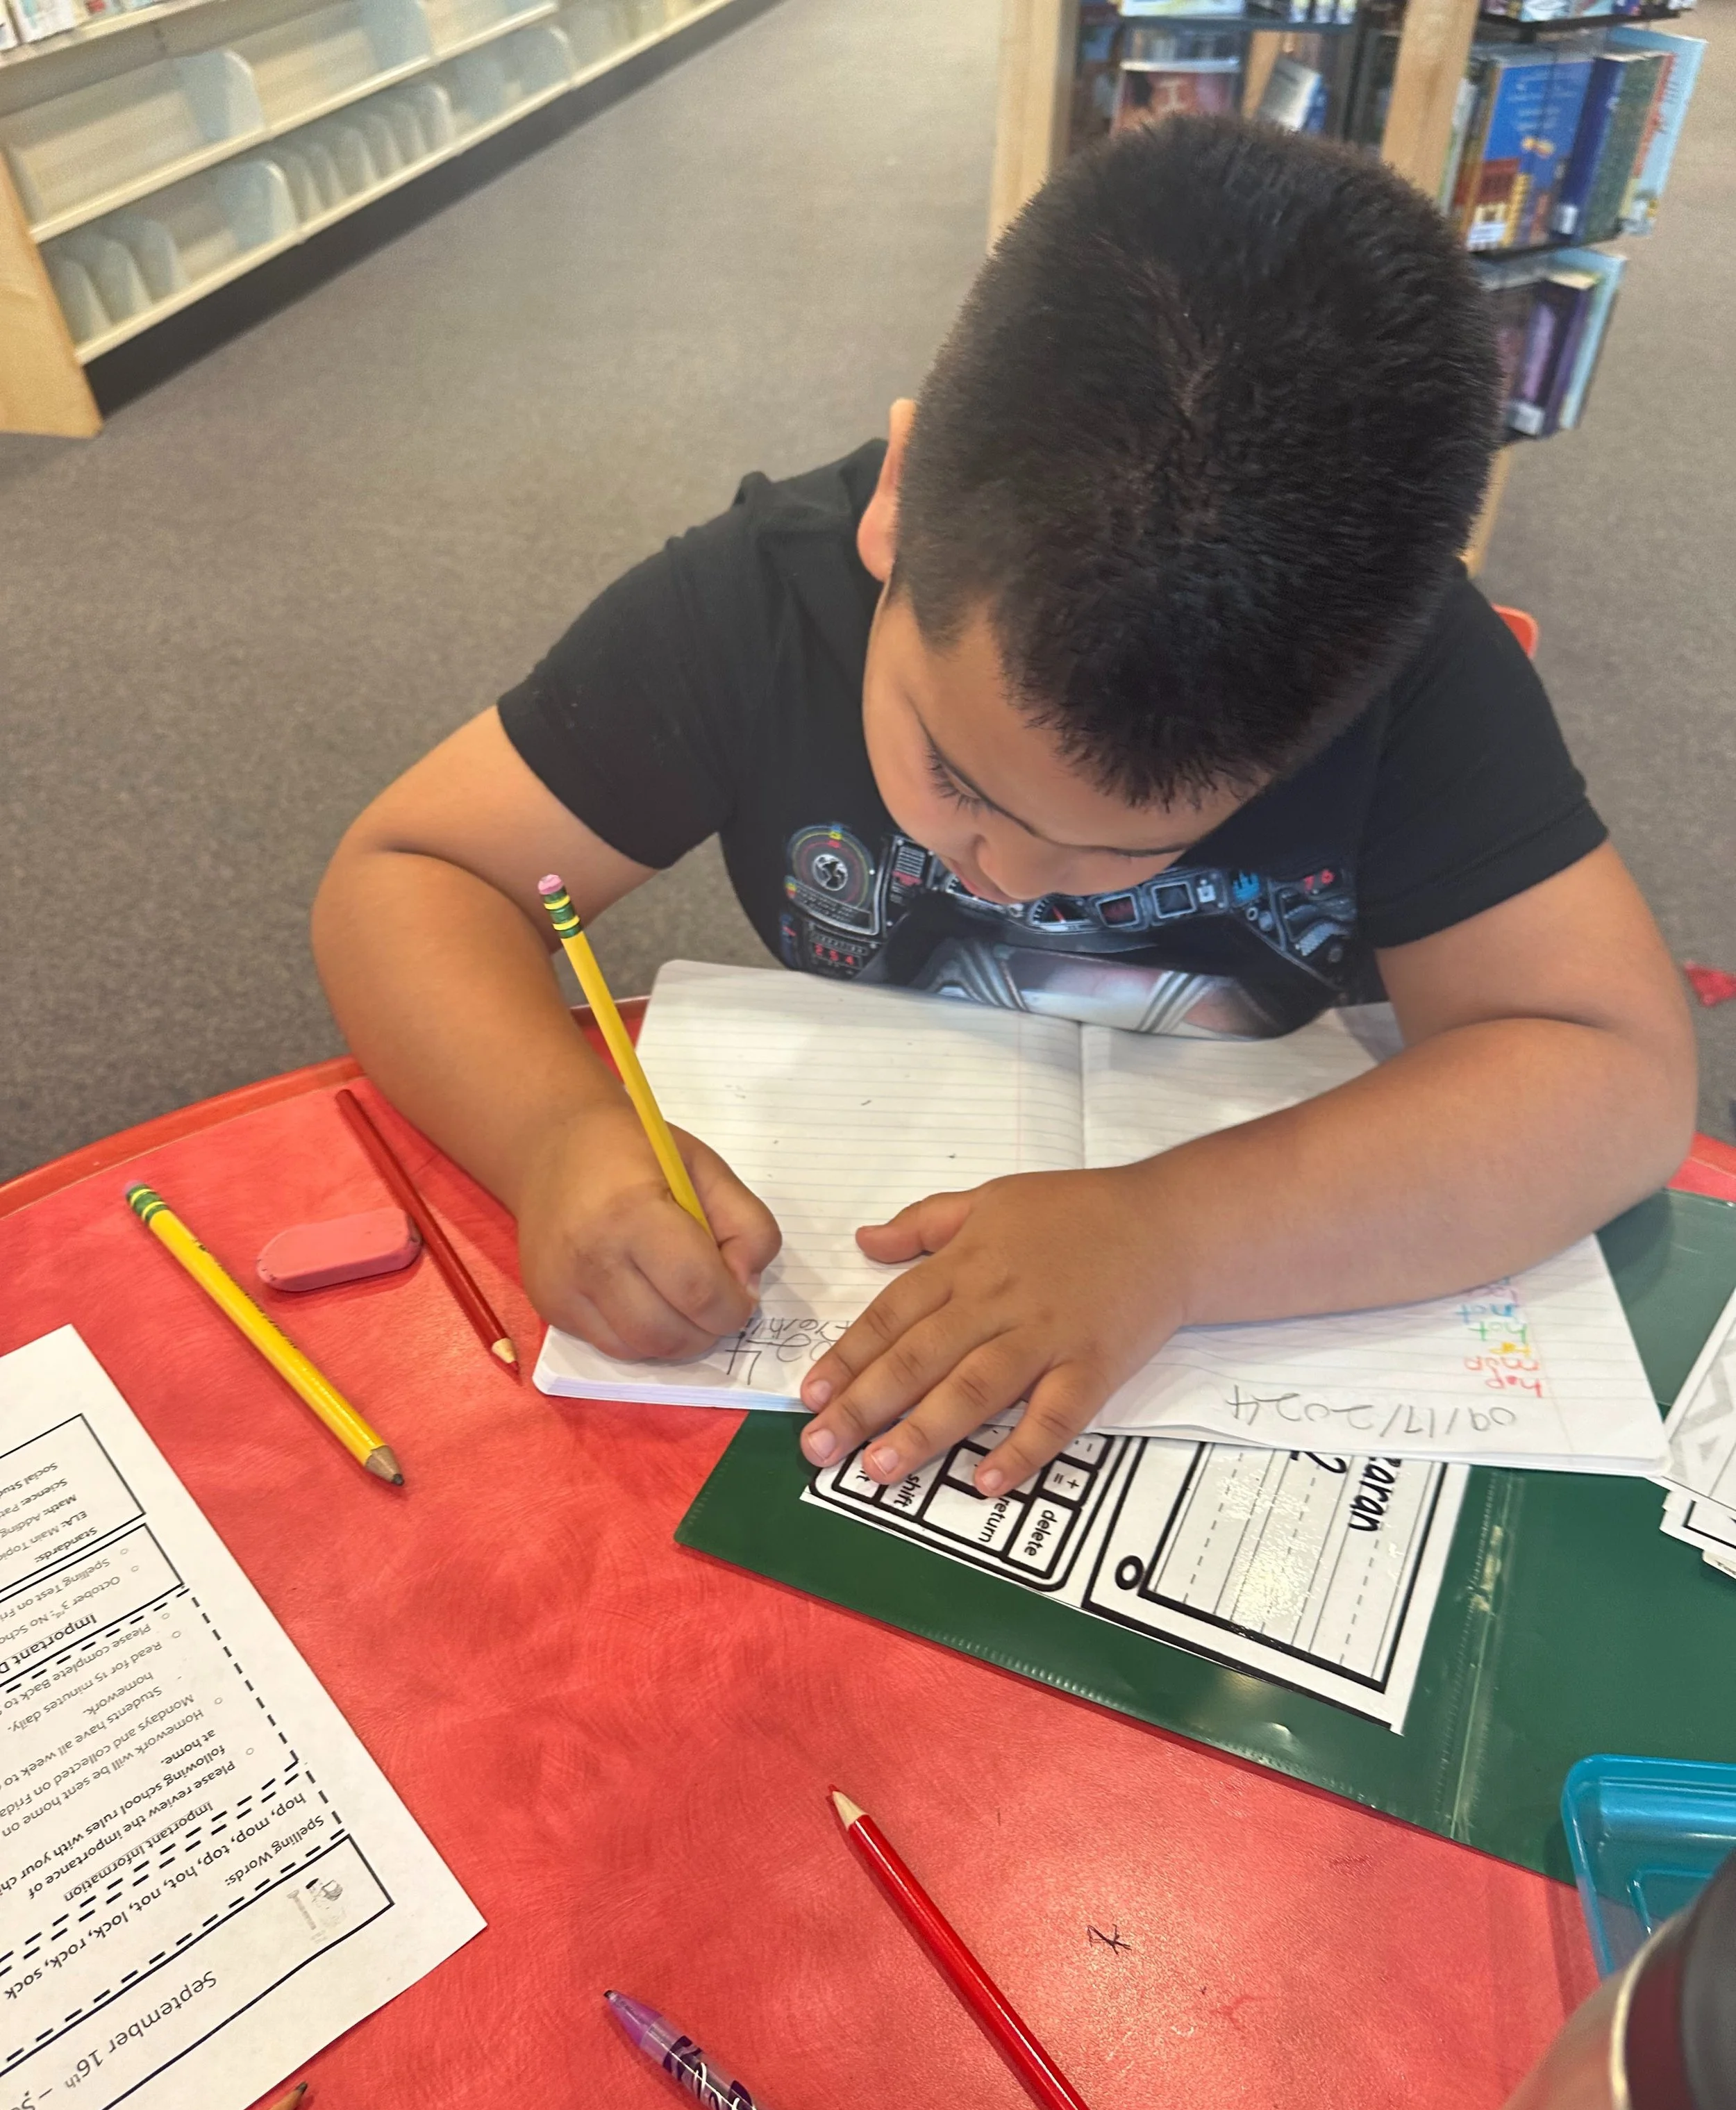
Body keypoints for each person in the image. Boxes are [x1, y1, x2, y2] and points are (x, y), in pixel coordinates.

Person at [312, 117, 1696, 1500]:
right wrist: (555, 1132)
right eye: (959, 781)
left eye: (1134, 847)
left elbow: (1611, 1074)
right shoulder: (755, 609)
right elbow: (414, 871)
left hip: (1237, 1214)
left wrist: (1174, 1238)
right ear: (900, 505)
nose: (1022, 878)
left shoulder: (1405, 673)